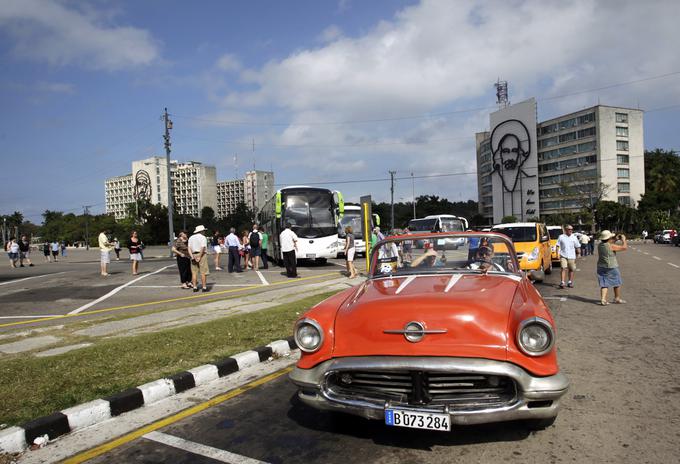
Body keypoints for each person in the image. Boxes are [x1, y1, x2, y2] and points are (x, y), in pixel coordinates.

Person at [597, 230, 628, 305]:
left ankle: (603, 299)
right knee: (617, 282)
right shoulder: (611, 246)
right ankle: (617, 298)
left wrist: (616, 239)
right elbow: (624, 247)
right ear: (609, 238)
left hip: (601, 266)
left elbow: (608, 242)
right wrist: (624, 240)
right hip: (611, 266)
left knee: (604, 283)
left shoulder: (600, 245)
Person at [188, 225, 210, 292]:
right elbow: (203, 247)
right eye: (204, 231)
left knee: (194, 272)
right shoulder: (203, 237)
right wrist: (199, 256)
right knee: (203, 272)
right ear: (202, 231)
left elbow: (189, 248)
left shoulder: (191, 237)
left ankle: (194, 287)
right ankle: (204, 287)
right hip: (201, 254)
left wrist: (192, 257)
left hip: (193, 254)